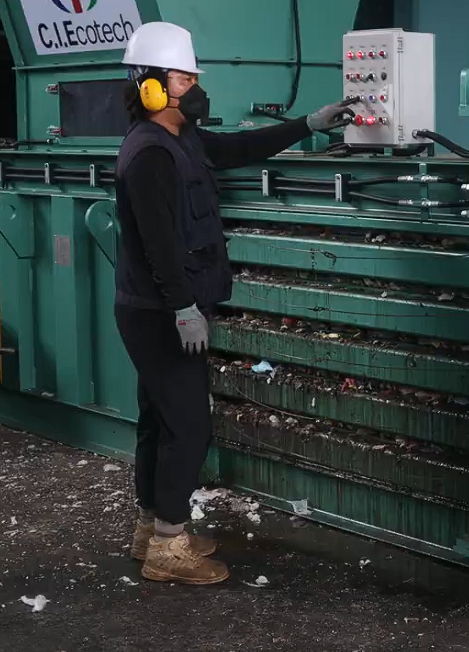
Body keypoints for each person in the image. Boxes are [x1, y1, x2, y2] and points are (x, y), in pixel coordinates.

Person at [113, 21, 357, 585]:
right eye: (181, 76)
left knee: (158, 420)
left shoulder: (181, 139)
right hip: (159, 312)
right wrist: (182, 307)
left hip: (158, 308)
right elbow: (158, 244)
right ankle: (169, 551)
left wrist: (308, 124)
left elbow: (237, 147)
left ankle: (152, 528)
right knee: (190, 427)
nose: (194, 84)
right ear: (150, 86)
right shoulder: (149, 152)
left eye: (194, 73)